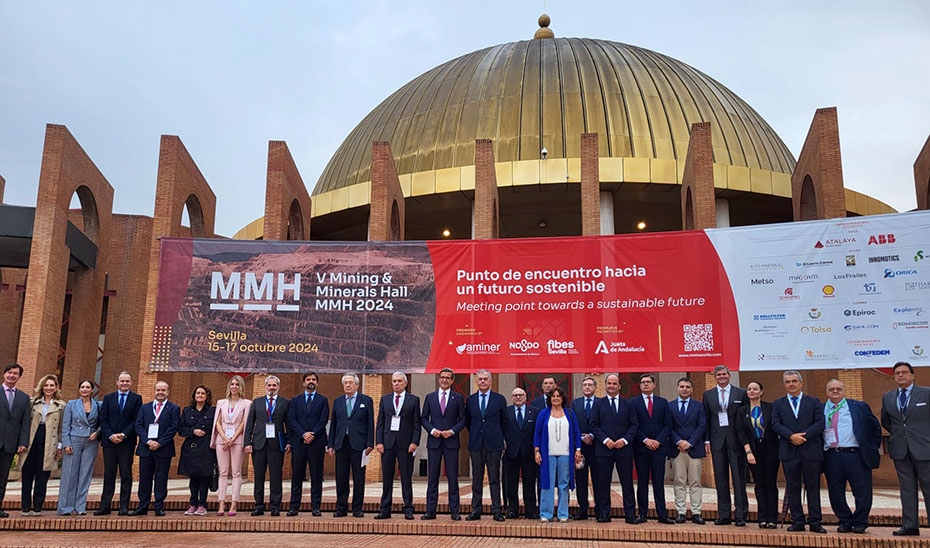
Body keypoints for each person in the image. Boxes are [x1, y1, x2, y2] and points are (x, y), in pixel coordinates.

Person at [823, 378, 881, 534]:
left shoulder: (858, 406)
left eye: (838, 389)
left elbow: (875, 428)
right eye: (831, 389)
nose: (835, 392)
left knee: (862, 491)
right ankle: (845, 521)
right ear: (826, 392)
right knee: (835, 491)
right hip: (832, 456)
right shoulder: (821, 409)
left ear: (844, 390)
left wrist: (871, 447)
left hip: (855, 455)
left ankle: (861, 521)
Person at [772, 370, 826, 533]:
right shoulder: (778, 403)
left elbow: (820, 423)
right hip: (789, 451)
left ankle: (815, 522)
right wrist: (791, 436)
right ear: (784, 385)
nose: (791, 384)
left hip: (811, 450)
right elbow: (775, 423)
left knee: (813, 487)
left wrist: (804, 436)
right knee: (793, 487)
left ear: (801, 383)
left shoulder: (813, 401)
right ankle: (797, 521)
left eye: (794, 381)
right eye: (788, 382)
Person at [881, 361, 930, 537]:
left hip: (924, 449)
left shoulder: (926, 393)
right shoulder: (888, 397)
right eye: (897, 373)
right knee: (907, 489)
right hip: (900, 450)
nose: (901, 375)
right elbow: (886, 421)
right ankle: (910, 525)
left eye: (904, 372)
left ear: (913, 375)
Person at [589, 373, 638, 524]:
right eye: (609, 383)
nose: (611, 386)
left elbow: (634, 425)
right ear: (605, 385)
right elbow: (593, 424)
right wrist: (605, 440)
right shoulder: (598, 404)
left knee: (627, 483)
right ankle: (604, 515)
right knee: (603, 484)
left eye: (614, 383)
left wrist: (624, 440)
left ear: (619, 386)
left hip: (623, 450)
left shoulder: (628, 404)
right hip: (604, 450)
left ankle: (630, 515)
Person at [702, 365, 748, 526]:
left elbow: (745, 419)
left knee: (738, 479)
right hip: (717, 441)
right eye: (718, 375)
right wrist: (706, 440)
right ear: (715, 376)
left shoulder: (740, 393)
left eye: (724, 374)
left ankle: (741, 515)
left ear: (729, 376)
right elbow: (706, 419)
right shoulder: (708, 395)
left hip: (736, 441)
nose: (721, 377)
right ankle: (724, 515)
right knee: (721, 479)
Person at [420, 367, 466, 520]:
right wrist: (432, 430)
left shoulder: (458, 398)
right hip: (434, 442)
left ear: (452, 380)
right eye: (442, 377)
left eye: (448, 378)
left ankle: (454, 511)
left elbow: (463, 419)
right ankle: (430, 511)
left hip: (451, 442)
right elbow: (424, 418)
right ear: (439, 379)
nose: (445, 380)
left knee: (453, 477)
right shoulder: (430, 397)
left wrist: (452, 431)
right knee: (432, 478)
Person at [375, 372, 421, 520]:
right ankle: (385, 509)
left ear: (405, 383)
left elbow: (416, 424)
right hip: (387, 443)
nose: (396, 383)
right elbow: (380, 422)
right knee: (387, 478)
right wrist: (379, 442)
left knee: (406, 478)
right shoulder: (385, 399)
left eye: (399, 381)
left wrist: (415, 442)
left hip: (405, 444)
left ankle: (408, 508)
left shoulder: (413, 400)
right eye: (394, 381)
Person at [130, 380, 180, 516]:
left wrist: (159, 443)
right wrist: (148, 441)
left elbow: (173, 427)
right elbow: (138, 426)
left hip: (163, 449)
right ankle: (143, 506)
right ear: (154, 391)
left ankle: (159, 506)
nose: (160, 392)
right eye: (158, 390)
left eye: (163, 390)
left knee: (161, 478)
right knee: (144, 478)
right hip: (146, 449)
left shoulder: (174, 408)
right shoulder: (145, 407)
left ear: (168, 392)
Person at [96, 371, 142, 516]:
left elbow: (137, 419)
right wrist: (110, 435)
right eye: (122, 381)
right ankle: (105, 506)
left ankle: (124, 506)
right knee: (109, 474)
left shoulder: (136, 398)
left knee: (126, 474)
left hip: (126, 442)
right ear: (117, 382)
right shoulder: (109, 398)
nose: (124, 384)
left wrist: (123, 434)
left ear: (131, 383)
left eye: (127, 381)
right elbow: (103, 418)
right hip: (109, 442)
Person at [17, 374, 65, 516]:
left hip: (49, 441)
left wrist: (59, 446)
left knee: (42, 475)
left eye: (52, 385)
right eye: (46, 385)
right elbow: (24, 423)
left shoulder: (61, 405)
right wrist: (22, 442)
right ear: (42, 387)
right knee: (27, 475)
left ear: (56, 387)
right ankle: (25, 507)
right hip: (32, 440)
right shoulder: (33, 402)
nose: (48, 388)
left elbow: (62, 427)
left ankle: (38, 507)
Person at [534, 386, 583, 522]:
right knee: (546, 483)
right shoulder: (543, 413)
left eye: (558, 396)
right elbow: (537, 433)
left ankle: (563, 514)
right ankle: (546, 514)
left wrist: (578, 449)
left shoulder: (569, 413)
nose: (555, 398)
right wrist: (537, 451)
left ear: (563, 398)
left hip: (565, 454)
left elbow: (576, 432)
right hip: (547, 454)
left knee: (564, 483)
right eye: (553, 396)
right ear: (550, 398)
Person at [328, 372, 374, 518]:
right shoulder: (338, 401)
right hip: (341, 444)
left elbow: (370, 423)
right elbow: (334, 424)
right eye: (345, 383)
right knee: (341, 477)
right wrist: (331, 444)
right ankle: (341, 508)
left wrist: (369, 443)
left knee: (359, 477)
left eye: (350, 383)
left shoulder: (366, 400)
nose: (348, 385)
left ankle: (357, 509)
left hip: (359, 445)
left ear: (357, 385)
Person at [465, 369, 507, 521]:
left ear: (490, 381)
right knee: (476, 479)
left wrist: (503, 440)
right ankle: (476, 510)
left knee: (494, 478)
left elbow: (504, 421)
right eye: (480, 379)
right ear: (476, 381)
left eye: (485, 379)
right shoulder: (470, 400)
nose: (482, 381)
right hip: (476, 444)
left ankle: (497, 510)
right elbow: (469, 421)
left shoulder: (499, 399)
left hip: (494, 444)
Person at [244, 375, 290, 516]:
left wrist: (289, 442)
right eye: (269, 385)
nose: (271, 388)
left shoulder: (284, 403)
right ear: (265, 387)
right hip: (259, 443)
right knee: (259, 476)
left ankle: (275, 505)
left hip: (276, 444)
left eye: (274, 385)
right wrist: (247, 442)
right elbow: (250, 424)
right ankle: (259, 505)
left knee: (276, 476)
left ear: (278, 387)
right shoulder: (257, 402)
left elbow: (288, 424)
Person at [735, 381, 778, 529]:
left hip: (771, 449)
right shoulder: (742, 411)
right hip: (753, 450)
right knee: (759, 484)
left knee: (771, 484)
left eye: (755, 389)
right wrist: (748, 452)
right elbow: (741, 433)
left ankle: (773, 518)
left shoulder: (770, 408)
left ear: (761, 392)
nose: (752, 391)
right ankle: (762, 518)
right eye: (749, 389)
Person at [631, 374, 673, 524]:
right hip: (641, 448)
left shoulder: (663, 402)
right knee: (642, 482)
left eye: (648, 382)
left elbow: (668, 425)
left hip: (659, 449)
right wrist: (645, 440)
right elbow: (633, 425)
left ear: (654, 385)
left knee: (658, 482)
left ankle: (662, 514)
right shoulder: (633, 403)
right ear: (640, 386)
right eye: (643, 383)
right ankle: (642, 514)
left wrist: (658, 441)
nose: (646, 385)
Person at [287, 371, 328, 517]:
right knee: (297, 476)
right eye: (308, 379)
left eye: (313, 380)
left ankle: (316, 507)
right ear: (303, 383)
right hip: (299, 443)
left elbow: (323, 420)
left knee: (316, 476)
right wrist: (303, 434)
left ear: (317, 383)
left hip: (316, 443)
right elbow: (292, 420)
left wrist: (312, 434)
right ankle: (294, 507)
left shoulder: (323, 400)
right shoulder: (295, 401)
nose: (311, 381)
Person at [57, 379, 101, 515]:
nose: (85, 389)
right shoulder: (71, 404)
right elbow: (65, 425)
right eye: (82, 387)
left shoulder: (98, 405)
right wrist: (66, 443)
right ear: (79, 389)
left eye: (88, 387)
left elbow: (103, 422)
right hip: (74, 440)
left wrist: (97, 432)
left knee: (85, 475)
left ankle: (80, 507)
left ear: (92, 390)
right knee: (69, 474)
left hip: (91, 442)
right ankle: (65, 507)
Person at [211, 375, 250, 517]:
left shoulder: (246, 403)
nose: (234, 387)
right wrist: (224, 437)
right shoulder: (221, 402)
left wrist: (232, 438)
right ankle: (221, 502)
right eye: (232, 384)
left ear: (241, 387)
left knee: (236, 472)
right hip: (222, 439)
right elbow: (217, 422)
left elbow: (244, 423)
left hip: (237, 439)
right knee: (222, 472)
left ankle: (234, 503)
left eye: (237, 384)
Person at [669, 376, 706, 524]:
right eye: (682, 386)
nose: (684, 389)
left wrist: (689, 442)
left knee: (695, 481)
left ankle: (696, 512)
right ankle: (681, 512)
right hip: (677, 449)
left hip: (694, 449)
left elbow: (702, 426)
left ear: (691, 389)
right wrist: (679, 441)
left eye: (687, 387)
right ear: (677, 388)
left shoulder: (699, 406)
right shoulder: (670, 406)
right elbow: (668, 427)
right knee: (679, 481)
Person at [178, 385, 216, 516]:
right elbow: (181, 430)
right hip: (191, 447)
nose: (200, 395)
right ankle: (193, 503)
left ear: (207, 396)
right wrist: (193, 431)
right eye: (197, 393)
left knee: (204, 477)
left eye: (203, 393)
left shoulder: (213, 411)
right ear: (194, 396)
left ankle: (202, 505)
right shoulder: (187, 411)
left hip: (206, 448)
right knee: (193, 477)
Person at [0, 363, 31, 518]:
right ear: (4, 374)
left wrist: (23, 442)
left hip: (10, 444)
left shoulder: (24, 398)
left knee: (2, 478)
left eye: (15, 374)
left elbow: (25, 423)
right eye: (9, 372)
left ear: (19, 377)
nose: (12, 375)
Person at [503, 387, 538, 519]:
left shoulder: (534, 412)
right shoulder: (506, 411)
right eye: (515, 395)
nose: (518, 397)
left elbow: (537, 431)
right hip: (510, 452)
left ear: (525, 397)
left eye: (520, 395)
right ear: (511, 398)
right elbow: (501, 428)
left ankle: (530, 510)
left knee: (529, 482)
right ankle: (513, 510)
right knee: (511, 483)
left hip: (529, 452)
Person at [570, 376, 598, 520]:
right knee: (580, 480)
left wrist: (592, 435)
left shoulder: (601, 403)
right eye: (585, 385)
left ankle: (600, 510)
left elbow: (603, 423)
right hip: (580, 448)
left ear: (595, 388)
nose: (587, 387)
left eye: (590, 385)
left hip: (596, 447)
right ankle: (583, 510)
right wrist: (581, 438)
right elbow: (573, 424)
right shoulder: (575, 403)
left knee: (598, 480)